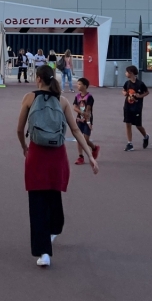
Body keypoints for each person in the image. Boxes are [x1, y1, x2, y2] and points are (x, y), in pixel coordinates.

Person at [16, 65, 98, 268]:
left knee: (37, 203)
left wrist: (24, 146)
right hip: (57, 154)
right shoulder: (62, 101)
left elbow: (19, 129)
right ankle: (54, 229)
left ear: (38, 79)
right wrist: (90, 156)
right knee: (54, 196)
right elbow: (76, 131)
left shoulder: (29, 98)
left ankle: (43, 252)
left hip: (36, 153)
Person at [122, 65, 151, 151]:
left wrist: (139, 96)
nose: (125, 73)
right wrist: (124, 93)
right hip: (127, 106)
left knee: (138, 125)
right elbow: (123, 90)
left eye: (127, 72)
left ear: (131, 73)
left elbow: (147, 92)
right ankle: (129, 143)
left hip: (137, 107)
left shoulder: (140, 84)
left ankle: (146, 136)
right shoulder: (127, 83)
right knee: (128, 123)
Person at [72, 77, 98, 164]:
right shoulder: (77, 96)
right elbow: (74, 107)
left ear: (85, 86)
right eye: (77, 84)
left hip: (87, 120)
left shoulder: (89, 97)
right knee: (79, 139)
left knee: (86, 140)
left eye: (79, 84)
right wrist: (81, 113)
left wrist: (88, 121)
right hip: (79, 120)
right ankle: (80, 156)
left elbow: (88, 109)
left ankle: (94, 148)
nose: (77, 86)